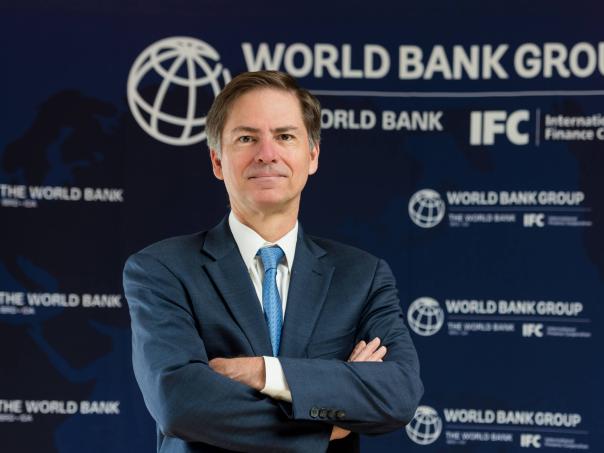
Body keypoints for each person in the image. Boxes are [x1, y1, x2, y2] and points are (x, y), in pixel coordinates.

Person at [123, 70, 423, 453]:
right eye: (247, 138)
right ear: (217, 160)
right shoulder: (161, 270)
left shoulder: (362, 276)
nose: (267, 153)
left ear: (312, 155)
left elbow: (398, 392)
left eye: (285, 136)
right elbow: (179, 404)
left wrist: (265, 372)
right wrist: (328, 419)